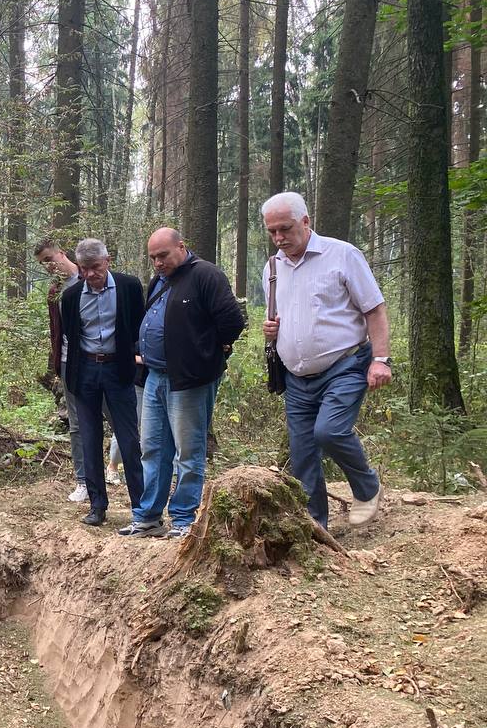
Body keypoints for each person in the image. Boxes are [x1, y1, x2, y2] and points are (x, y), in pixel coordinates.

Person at [262, 191, 391, 531]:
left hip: (345, 364)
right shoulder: (273, 267)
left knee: (330, 431)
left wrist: (381, 359)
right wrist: (272, 330)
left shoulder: (342, 255)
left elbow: (374, 309)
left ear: (306, 222)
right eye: (272, 231)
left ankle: (367, 488)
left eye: (285, 229)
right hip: (296, 376)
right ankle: (314, 524)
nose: (279, 238)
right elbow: (283, 315)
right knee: (302, 452)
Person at [120, 228, 246, 539]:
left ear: (182, 246)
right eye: (153, 258)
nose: (158, 263)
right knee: (151, 449)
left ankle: (183, 519)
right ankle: (149, 516)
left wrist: (211, 352)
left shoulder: (206, 275)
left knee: (187, 453)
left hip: (190, 380)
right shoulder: (160, 280)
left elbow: (232, 320)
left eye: (163, 255)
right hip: (156, 377)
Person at [61, 238, 145, 526]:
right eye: (84, 269)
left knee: (129, 438)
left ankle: (141, 506)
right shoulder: (71, 297)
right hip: (84, 371)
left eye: (95, 267)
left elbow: (137, 326)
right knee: (89, 438)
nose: (90, 274)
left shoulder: (129, 287)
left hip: (118, 370)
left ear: (107, 261)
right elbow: (70, 335)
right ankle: (97, 505)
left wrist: (135, 360)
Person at [34, 238, 88, 503]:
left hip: (101, 362)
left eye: (49, 259)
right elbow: (57, 332)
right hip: (69, 363)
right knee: (76, 424)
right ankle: (83, 481)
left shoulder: (90, 277)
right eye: (42, 263)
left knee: (116, 419)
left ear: (62, 254)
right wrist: (56, 363)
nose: (47, 266)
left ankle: (129, 472)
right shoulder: (55, 291)